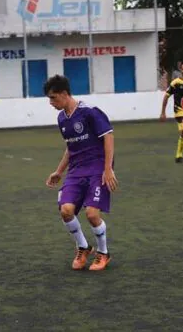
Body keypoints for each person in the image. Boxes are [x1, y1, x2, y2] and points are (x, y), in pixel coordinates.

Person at [44, 75, 118, 271]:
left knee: (92, 214)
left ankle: (103, 253)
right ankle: (83, 247)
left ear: (64, 94)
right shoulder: (61, 119)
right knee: (66, 211)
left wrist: (108, 168)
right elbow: (71, 147)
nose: (51, 103)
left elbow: (108, 136)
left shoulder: (89, 112)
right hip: (76, 170)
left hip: (97, 168)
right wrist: (59, 171)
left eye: (53, 98)